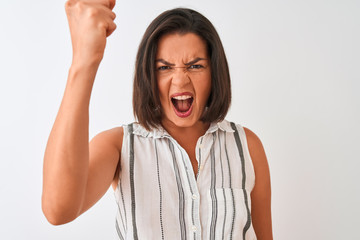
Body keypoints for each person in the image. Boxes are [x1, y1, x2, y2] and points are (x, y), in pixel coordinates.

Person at [42, 0, 273, 239]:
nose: (181, 80)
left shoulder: (246, 146)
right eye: (164, 67)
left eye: (195, 66)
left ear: (214, 72)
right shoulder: (118, 146)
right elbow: (58, 211)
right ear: (148, 76)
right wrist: (84, 61)